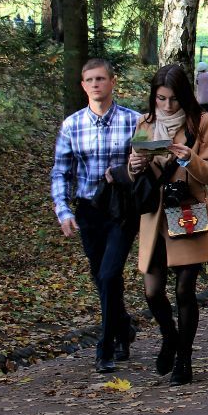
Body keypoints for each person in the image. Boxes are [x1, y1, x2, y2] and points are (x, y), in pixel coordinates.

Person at [129, 65, 208, 385]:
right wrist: (135, 164)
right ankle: (170, 337)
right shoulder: (145, 122)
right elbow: (136, 171)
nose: (167, 106)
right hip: (155, 215)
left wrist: (187, 158)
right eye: (161, 99)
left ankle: (184, 357)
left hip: (187, 209)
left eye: (174, 99)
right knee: (152, 292)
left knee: (184, 288)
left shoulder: (202, 122)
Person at [51, 59, 141, 374]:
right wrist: (63, 210)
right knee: (102, 277)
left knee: (108, 274)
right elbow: (61, 173)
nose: (95, 85)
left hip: (122, 211)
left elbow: (145, 164)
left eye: (100, 79)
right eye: (89, 80)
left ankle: (105, 348)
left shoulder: (134, 121)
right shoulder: (72, 125)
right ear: (82, 85)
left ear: (112, 82)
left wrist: (126, 172)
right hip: (88, 211)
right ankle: (124, 327)